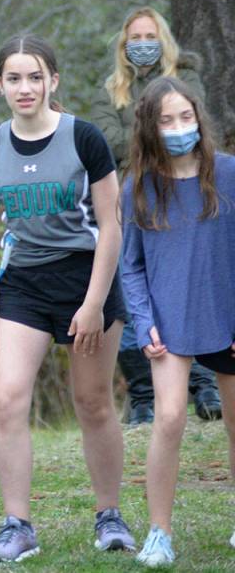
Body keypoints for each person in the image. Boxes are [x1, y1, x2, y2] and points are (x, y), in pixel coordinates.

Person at [0, 35, 133, 562]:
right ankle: (18, 526)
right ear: (0, 85)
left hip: (88, 280)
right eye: (14, 78)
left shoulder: (83, 138)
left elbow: (112, 226)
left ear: (53, 81)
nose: (25, 87)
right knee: (7, 397)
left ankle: (110, 516)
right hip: (24, 286)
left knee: (92, 402)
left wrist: (92, 303)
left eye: (35, 77)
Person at [118, 77, 235, 567]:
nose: (178, 128)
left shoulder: (227, 173)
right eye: (166, 120)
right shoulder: (138, 187)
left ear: (199, 119)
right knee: (168, 418)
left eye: (185, 117)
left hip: (227, 318)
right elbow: (131, 265)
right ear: (150, 127)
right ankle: (159, 533)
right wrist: (145, 322)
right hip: (168, 322)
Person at [90, 6, 220, 424]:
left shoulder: (187, 77)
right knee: (132, 293)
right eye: (135, 38)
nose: (142, 44)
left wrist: (156, 131)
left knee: (194, 285)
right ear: (124, 45)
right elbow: (104, 138)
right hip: (133, 199)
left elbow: (195, 123)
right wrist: (154, 131)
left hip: (187, 193)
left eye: (150, 36)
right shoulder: (111, 87)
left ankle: (206, 386)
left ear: (162, 38)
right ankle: (143, 397)